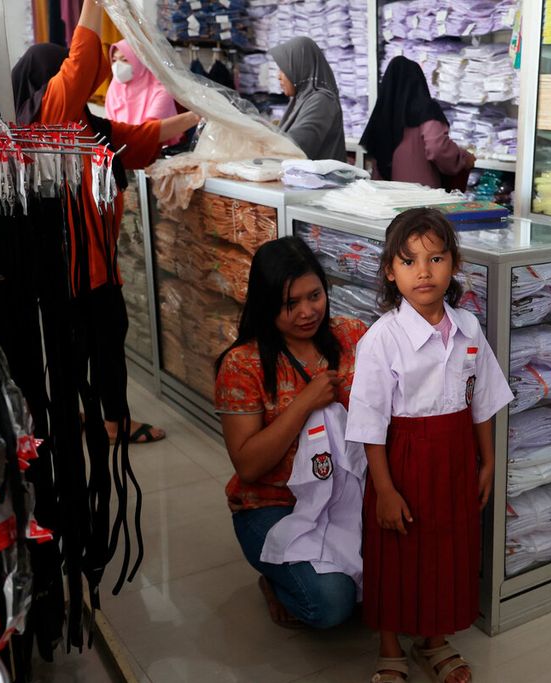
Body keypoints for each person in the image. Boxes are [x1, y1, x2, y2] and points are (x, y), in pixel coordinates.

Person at [12, 0, 196, 444]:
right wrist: (94, 4)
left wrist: (200, 114)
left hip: (96, 265)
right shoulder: (47, 120)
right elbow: (79, 68)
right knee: (84, 350)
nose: (69, 81)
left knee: (102, 347)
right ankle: (100, 420)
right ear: (45, 80)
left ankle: (104, 418)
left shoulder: (83, 126)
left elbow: (139, 138)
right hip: (72, 267)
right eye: (57, 74)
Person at [346, 209, 514, 683]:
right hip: (402, 460)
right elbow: (369, 422)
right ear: (388, 271)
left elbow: (481, 398)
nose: (424, 271)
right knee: (396, 552)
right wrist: (384, 490)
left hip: (457, 456)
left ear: (454, 264)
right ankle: (390, 648)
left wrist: (487, 462)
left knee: (447, 550)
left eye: (436, 258)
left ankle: (435, 640)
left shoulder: (468, 328)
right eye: (409, 261)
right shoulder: (382, 339)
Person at [214, 236, 366, 629]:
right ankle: (275, 582)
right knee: (332, 603)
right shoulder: (243, 365)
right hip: (274, 504)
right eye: (290, 304)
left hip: (346, 495)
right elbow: (248, 466)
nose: (306, 312)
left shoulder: (352, 335)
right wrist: (303, 403)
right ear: (267, 305)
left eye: (314, 295)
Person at [359, 56, 475, 189]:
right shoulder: (426, 110)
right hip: (420, 195)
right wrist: (464, 158)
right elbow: (437, 148)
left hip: (387, 196)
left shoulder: (383, 114)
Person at [268, 37, 346, 161]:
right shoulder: (301, 99)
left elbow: (296, 146)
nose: (279, 76)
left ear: (300, 67)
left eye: (283, 69)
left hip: (320, 180)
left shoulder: (322, 101)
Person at [105, 39, 178, 127]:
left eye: (124, 60)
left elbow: (151, 129)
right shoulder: (115, 87)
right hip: (121, 139)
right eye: (114, 60)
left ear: (139, 61)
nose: (117, 66)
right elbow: (110, 124)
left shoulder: (161, 90)